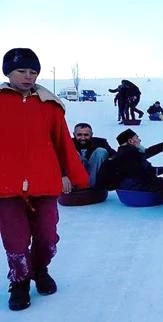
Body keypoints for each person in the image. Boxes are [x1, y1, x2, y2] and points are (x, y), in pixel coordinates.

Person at [0, 48, 89, 311]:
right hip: (6, 185)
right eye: (22, 71)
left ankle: (40, 269)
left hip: (44, 182)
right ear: (8, 73)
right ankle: (19, 281)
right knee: (15, 239)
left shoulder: (49, 106)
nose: (28, 77)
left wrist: (72, 174)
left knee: (47, 236)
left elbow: (63, 144)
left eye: (33, 72)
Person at [111, 129, 163, 193]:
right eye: (137, 138)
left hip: (134, 185)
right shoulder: (129, 155)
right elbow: (145, 172)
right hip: (135, 188)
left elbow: (148, 152)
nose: (139, 140)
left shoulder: (127, 151)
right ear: (130, 141)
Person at [71, 123, 117, 187]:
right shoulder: (68, 143)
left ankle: (93, 188)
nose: (83, 138)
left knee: (101, 151)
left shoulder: (100, 142)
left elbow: (115, 156)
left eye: (86, 135)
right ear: (74, 134)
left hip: (94, 176)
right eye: (79, 135)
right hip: (75, 179)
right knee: (72, 153)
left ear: (91, 135)